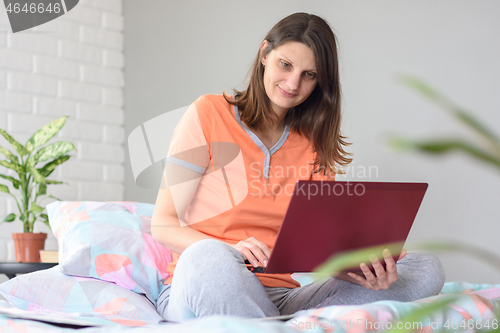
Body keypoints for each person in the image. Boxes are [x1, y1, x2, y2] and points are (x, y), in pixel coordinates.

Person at [152, 12, 445, 321]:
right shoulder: (208, 113)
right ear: (265, 54)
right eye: (286, 65)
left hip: (282, 299)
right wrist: (230, 249)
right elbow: (162, 223)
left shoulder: (313, 142)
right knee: (207, 258)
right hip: (203, 283)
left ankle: (275, 325)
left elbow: (319, 251)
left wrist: (365, 272)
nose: (293, 84)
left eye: (309, 75)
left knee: (424, 267)